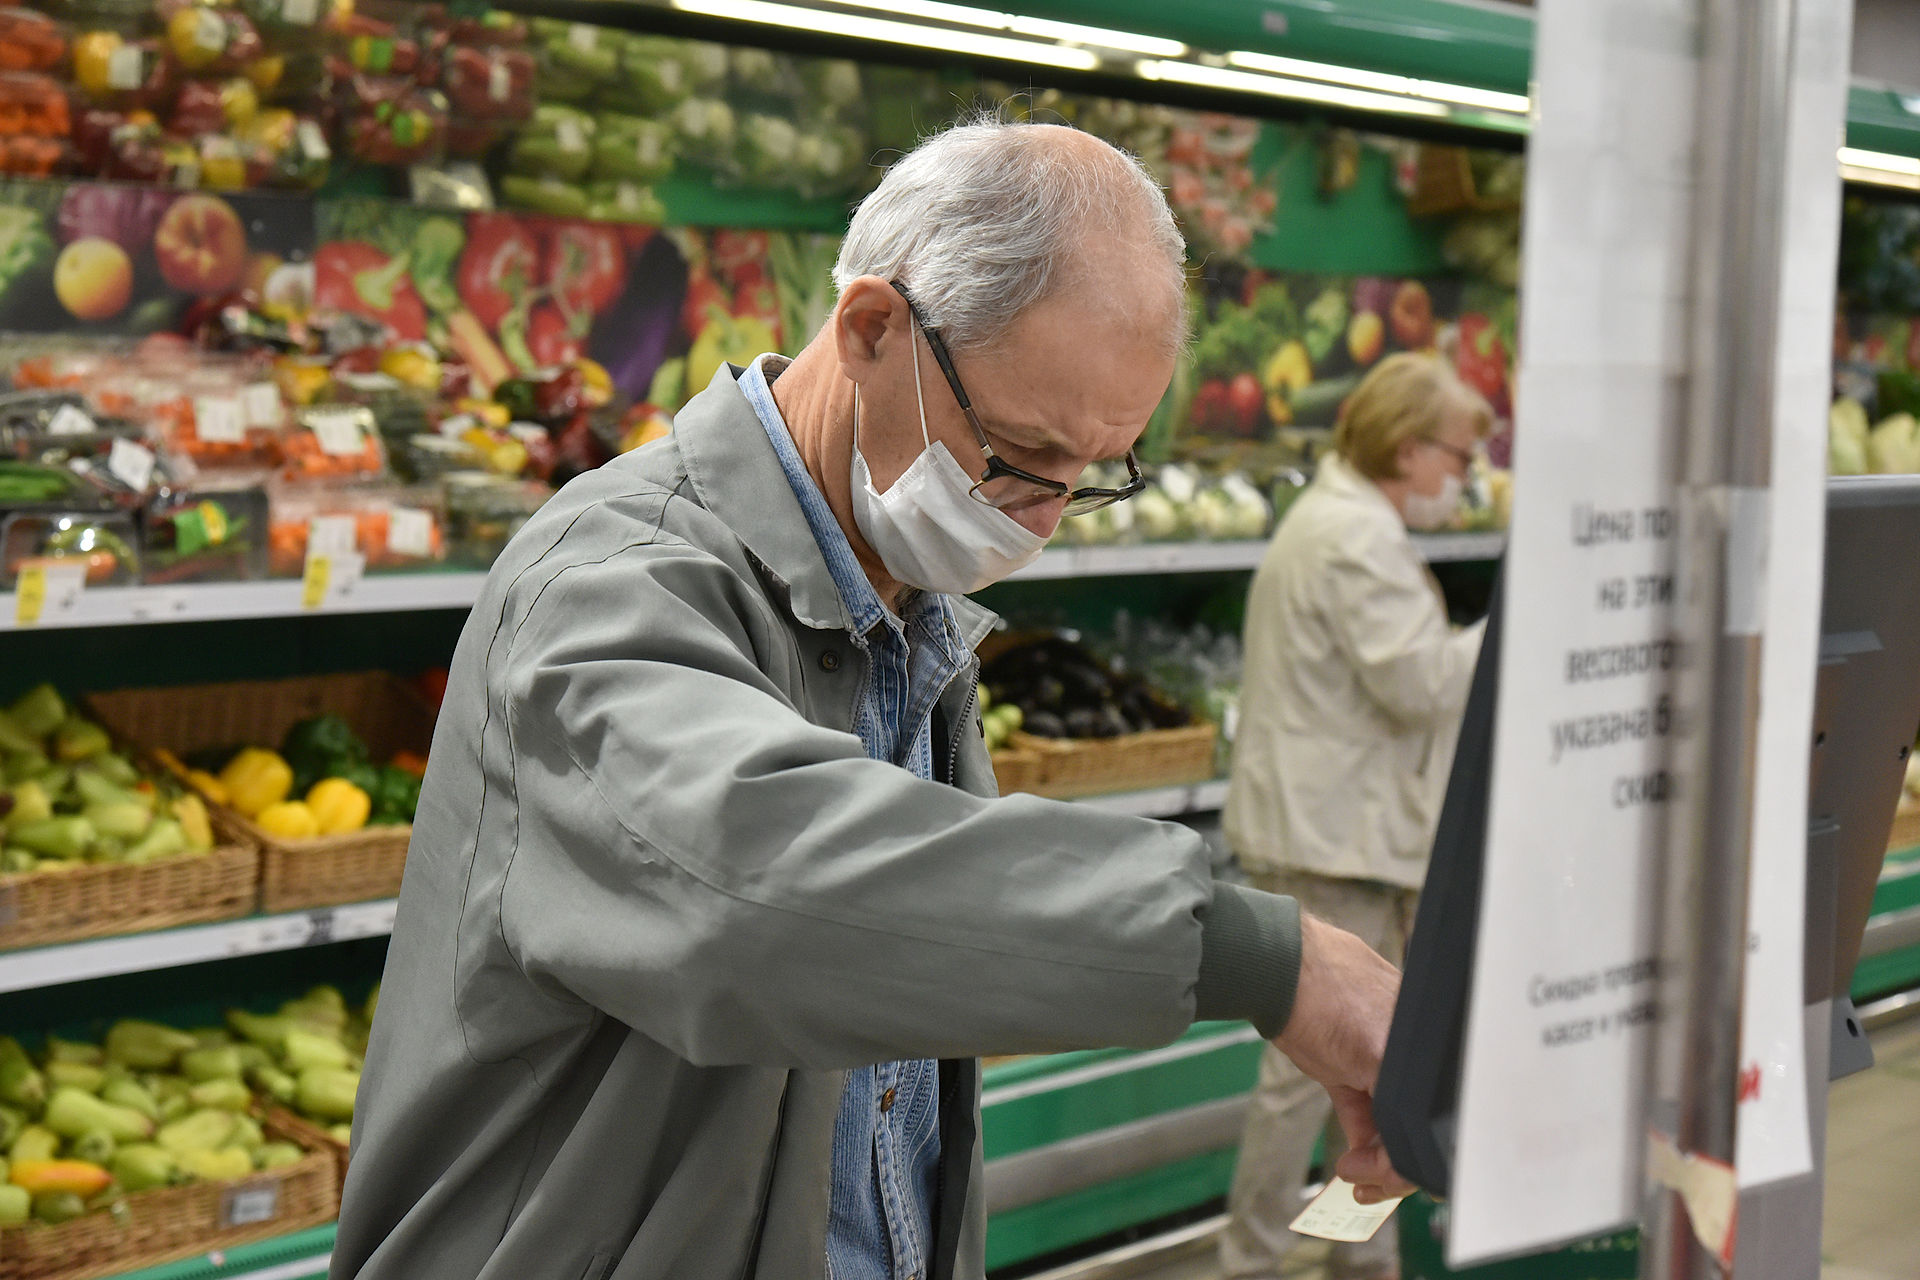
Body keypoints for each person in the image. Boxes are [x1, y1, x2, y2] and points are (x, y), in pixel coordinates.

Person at [331, 119, 1411, 1280]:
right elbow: (752, 891)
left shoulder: (904, 611)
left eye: (1092, 474)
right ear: (871, 328)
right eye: (1016, 451)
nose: (1039, 520)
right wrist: (1258, 953)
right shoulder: (607, 581)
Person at [1218, 353, 1492, 1280]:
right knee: (1312, 1080)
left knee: (1346, 1071)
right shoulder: (1355, 539)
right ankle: (1256, 1259)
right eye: (1459, 456)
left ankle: (1350, 1256)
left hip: (1336, 831)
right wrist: (1519, 621)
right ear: (1409, 450)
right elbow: (1418, 685)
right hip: (1333, 842)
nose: (1465, 477)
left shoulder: (1340, 521)